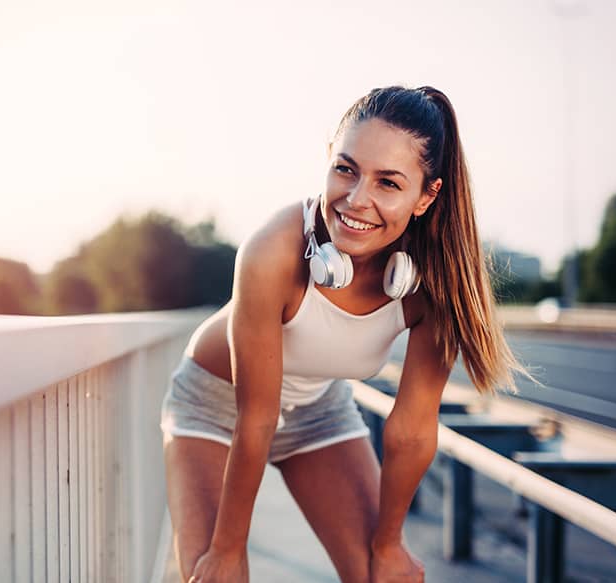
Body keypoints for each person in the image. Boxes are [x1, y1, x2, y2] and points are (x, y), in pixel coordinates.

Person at [159, 85, 528, 583]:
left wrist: (389, 544)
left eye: (389, 184)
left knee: (383, 577)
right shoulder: (273, 249)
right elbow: (257, 416)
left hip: (318, 408)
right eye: (346, 169)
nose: (357, 200)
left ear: (427, 196)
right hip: (215, 404)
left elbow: (412, 429)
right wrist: (228, 548)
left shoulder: (435, 283)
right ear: (328, 159)